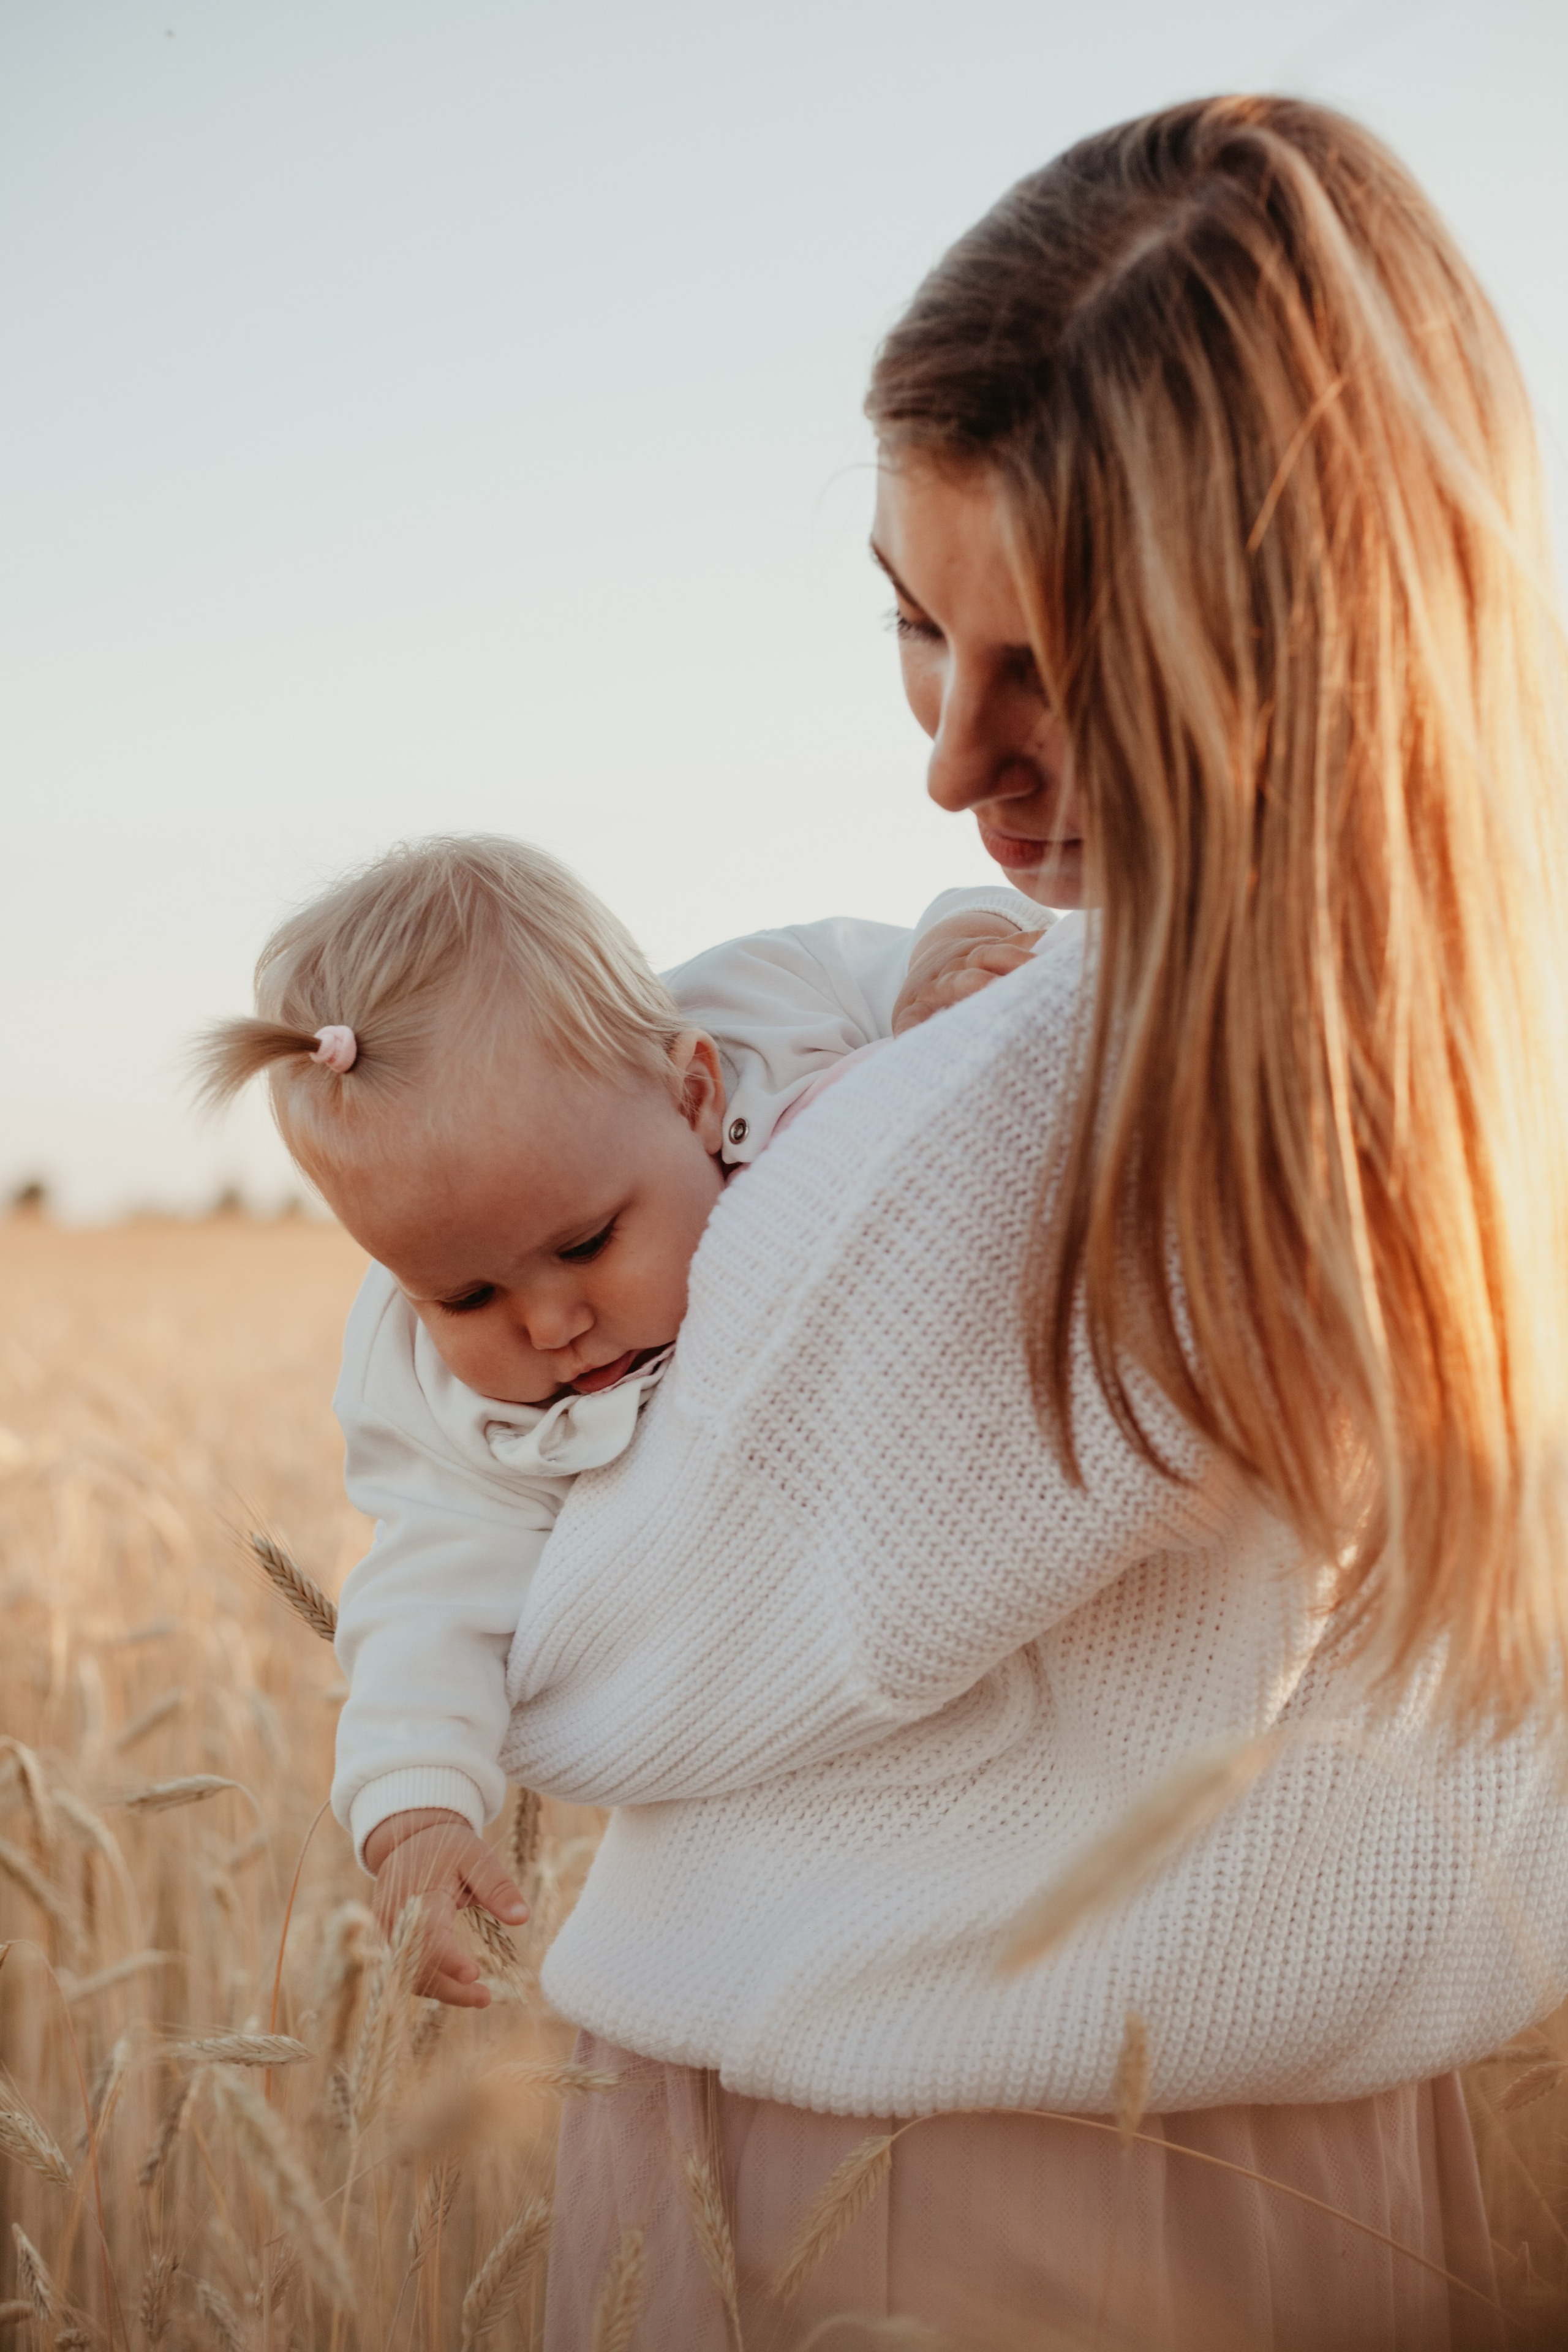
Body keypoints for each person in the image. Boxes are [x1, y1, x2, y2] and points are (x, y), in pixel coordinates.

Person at [492, 97, 1568, 2350]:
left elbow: (583, 1676)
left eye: (1060, 674)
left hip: (908, 2200)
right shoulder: (1493, 1072)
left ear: (1305, 646)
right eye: (918, 627)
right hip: (1356, 2189)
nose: (951, 763)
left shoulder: (1011, 1132)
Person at [195, 834, 1043, 1992]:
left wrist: (948, 967)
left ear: (694, 1093)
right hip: (753, 1846)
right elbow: (425, 1596)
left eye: (587, 1243)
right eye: (466, 1297)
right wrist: (414, 1810)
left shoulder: (763, 1006)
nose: (550, 1324)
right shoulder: (431, 1389)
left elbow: (940, 963)